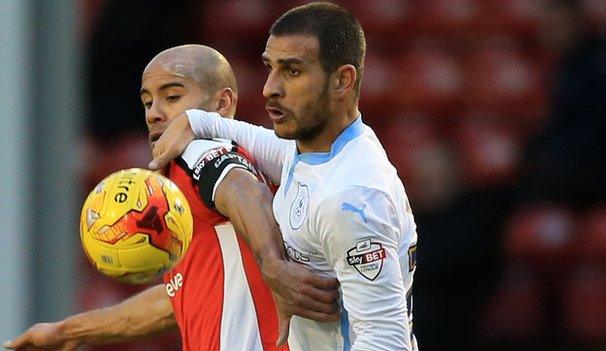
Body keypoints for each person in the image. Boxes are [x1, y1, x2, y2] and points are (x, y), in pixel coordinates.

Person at [3, 44, 340, 351]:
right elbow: (179, 297)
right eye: (148, 101)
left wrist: (274, 266)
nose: (154, 113)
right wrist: (69, 331)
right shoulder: (182, 197)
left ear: (222, 104)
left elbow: (243, 188)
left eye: (172, 97)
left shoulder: (198, 150)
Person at [149, 3, 419, 350]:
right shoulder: (324, 149)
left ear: (342, 80)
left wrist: (272, 266)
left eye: (292, 72)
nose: (269, 88)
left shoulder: (350, 201)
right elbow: (268, 145)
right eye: (269, 68)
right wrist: (197, 121)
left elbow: (385, 341)